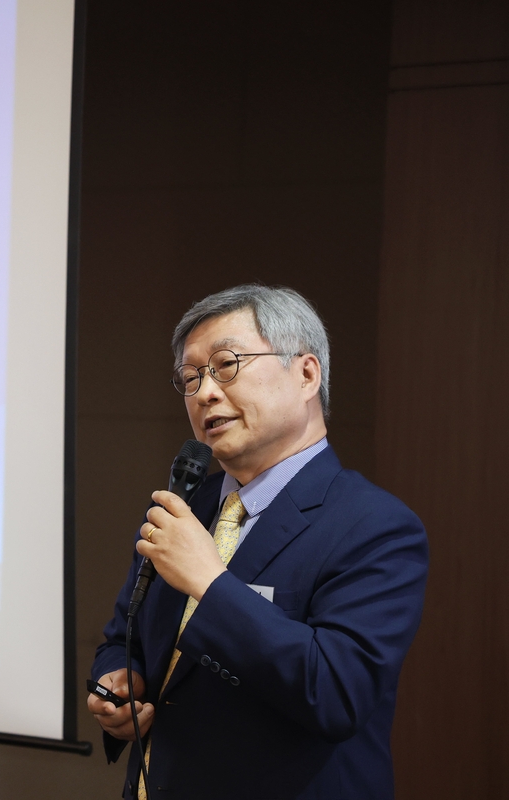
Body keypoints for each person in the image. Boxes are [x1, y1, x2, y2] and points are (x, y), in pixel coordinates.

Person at [88, 285, 428, 800]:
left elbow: (337, 693)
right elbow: (123, 636)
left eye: (226, 365)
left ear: (306, 374)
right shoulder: (186, 506)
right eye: (190, 377)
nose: (204, 393)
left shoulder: (377, 526)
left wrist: (211, 583)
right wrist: (119, 678)